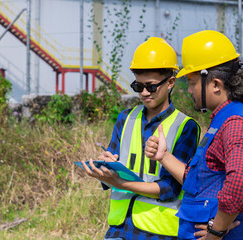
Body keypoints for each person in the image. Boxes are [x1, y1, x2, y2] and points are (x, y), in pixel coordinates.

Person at [145, 30, 243, 240]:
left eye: (192, 83)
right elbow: (202, 181)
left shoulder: (234, 122)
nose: (189, 90)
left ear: (216, 84)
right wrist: (164, 156)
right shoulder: (223, 118)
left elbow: (239, 185)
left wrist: (215, 232)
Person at [81, 37, 201, 239]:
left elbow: (171, 188)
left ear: (171, 82)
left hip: (158, 232)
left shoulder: (185, 127)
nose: (144, 93)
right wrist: (105, 168)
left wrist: (121, 183)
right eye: (138, 87)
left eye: (151, 86)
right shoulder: (125, 118)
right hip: (119, 228)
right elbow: (112, 174)